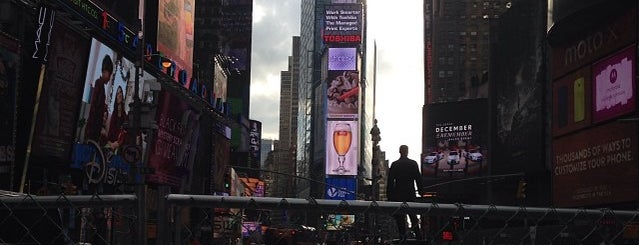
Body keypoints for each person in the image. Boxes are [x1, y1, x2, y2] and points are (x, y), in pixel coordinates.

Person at [387, 145, 425, 240]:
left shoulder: (395, 164)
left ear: (400, 151)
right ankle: (418, 236)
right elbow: (418, 179)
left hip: (398, 195)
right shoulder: (413, 164)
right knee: (413, 216)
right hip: (410, 194)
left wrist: (390, 197)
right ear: (407, 151)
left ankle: (402, 237)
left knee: (400, 218)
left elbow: (390, 182)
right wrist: (421, 191)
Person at [85, 54, 113, 145]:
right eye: (110, 74)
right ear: (105, 71)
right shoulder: (99, 84)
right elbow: (94, 106)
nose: (109, 78)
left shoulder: (100, 85)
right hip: (93, 128)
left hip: (94, 128)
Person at [107, 86, 128, 151]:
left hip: (120, 144)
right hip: (112, 143)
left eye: (121, 92)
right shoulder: (113, 114)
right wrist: (112, 144)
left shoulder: (125, 115)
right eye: (118, 93)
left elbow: (125, 132)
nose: (119, 95)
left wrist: (118, 143)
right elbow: (109, 134)